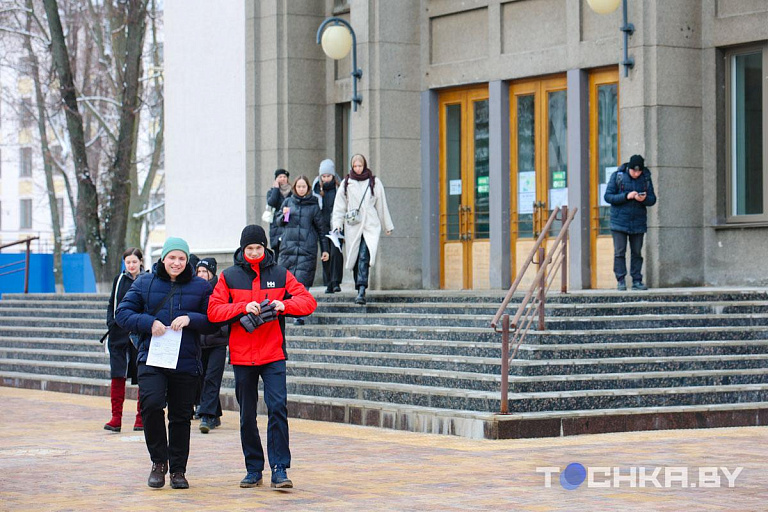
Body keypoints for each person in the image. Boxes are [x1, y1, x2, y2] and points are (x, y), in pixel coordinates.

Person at [207, 225, 317, 489]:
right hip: (243, 356)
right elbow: (214, 311)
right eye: (249, 248)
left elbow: (308, 302)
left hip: (273, 354)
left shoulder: (280, 274)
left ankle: (279, 469)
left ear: (265, 248)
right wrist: (242, 307)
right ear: (242, 250)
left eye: (258, 247)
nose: (254, 253)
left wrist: (284, 305)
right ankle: (253, 468)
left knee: (277, 409)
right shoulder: (229, 276)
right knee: (246, 415)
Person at [115, 237, 214, 490]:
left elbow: (213, 319)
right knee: (151, 404)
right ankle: (159, 462)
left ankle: (178, 470)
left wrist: (191, 319)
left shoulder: (200, 287)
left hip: (185, 361)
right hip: (152, 357)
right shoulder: (144, 282)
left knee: (181, 417)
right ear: (163, 258)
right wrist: (149, 323)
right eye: (172, 257)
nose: (177, 263)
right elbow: (123, 313)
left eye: (182, 258)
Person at [331, 154, 395, 305]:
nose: (358, 169)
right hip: (353, 226)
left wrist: (387, 226)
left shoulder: (374, 182)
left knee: (365, 256)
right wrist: (337, 224)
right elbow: (339, 207)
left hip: (370, 225)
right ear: (352, 167)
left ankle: (361, 289)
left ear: (364, 165)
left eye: (360, 166)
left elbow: (381, 205)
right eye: (355, 166)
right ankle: (358, 285)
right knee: (355, 257)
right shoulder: (346, 183)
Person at [278, 175, 330, 324]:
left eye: (304, 187)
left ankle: (299, 315)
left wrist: (325, 249)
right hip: (289, 248)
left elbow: (321, 229)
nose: (301, 189)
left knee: (302, 284)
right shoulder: (288, 202)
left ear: (308, 188)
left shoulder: (313, 206)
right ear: (295, 187)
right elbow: (279, 223)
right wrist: (284, 215)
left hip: (307, 250)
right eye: (299, 186)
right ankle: (284, 311)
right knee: (285, 282)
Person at [104, 247, 145, 433]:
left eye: (134, 262)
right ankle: (116, 417)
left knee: (142, 375)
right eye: (128, 262)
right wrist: (111, 324)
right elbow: (112, 303)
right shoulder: (119, 280)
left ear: (140, 262)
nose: (131, 265)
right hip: (118, 333)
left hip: (139, 332)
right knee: (117, 374)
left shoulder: (147, 280)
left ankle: (140, 417)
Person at [603, 154, 657, 291]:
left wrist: (643, 199)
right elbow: (608, 196)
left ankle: (637, 280)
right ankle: (621, 280)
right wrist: (626, 196)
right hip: (619, 222)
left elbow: (652, 199)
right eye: (634, 171)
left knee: (637, 253)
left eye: (639, 171)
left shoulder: (646, 178)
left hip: (638, 221)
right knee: (620, 252)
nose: (636, 173)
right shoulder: (618, 176)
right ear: (629, 168)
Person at [194, 258, 228, 433]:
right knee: (201, 377)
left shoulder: (220, 289)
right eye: (198, 271)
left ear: (212, 272)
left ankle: (206, 415)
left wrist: (222, 330)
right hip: (199, 342)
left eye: (204, 271)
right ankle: (215, 414)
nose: (201, 275)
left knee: (212, 378)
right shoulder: (195, 289)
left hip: (217, 342)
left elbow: (226, 310)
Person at [312, 159, 344, 294]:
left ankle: (336, 281)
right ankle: (329, 282)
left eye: (328, 176)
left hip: (336, 225)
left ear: (333, 175)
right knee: (326, 254)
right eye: (323, 176)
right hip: (322, 226)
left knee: (336, 253)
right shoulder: (315, 189)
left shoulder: (340, 188)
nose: (326, 179)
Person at [267, 168, 292, 261]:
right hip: (276, 227)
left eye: (284, 176)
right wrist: (276, 189)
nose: (282, 179)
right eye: (280, 177)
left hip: (289, 225)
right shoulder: (271, 192)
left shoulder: (292, 192)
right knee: (278, 255)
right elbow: (272, 202)